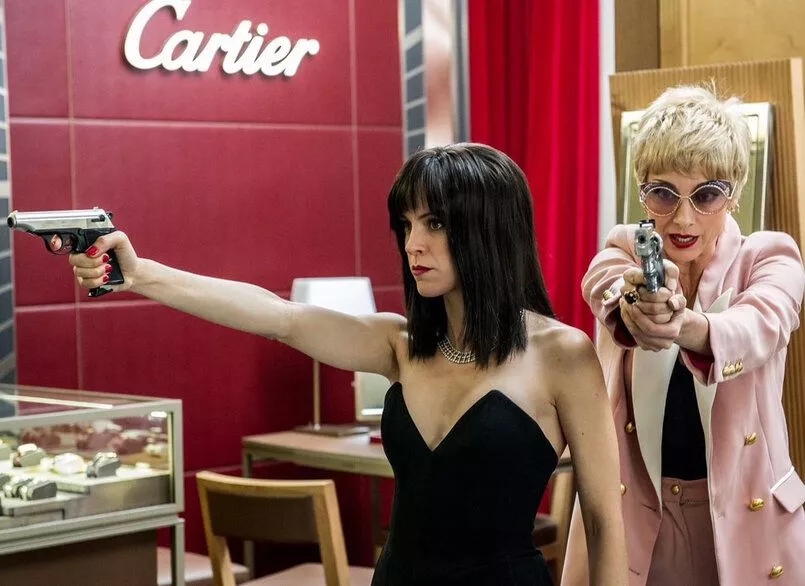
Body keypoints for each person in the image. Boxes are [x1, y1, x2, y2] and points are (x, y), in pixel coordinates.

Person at [65, 143, 627, 585]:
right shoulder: (398, 344)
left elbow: (603, 518)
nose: (413, 243)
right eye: (406, 225)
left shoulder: (562, 354)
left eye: (434, 223)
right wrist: (142, 274)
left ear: (489, 229)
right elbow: (277, 316)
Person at [562, 86, 805, 586]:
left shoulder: (769, 255)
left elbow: (762, 323)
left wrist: (687, 326)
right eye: (663, 193)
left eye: (706, 194)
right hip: (641, 517)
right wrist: (637, 305)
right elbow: (605, 285)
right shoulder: (624, 252)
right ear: (641, 190)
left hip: (747, 518)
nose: (683, 217)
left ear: (733, 194)